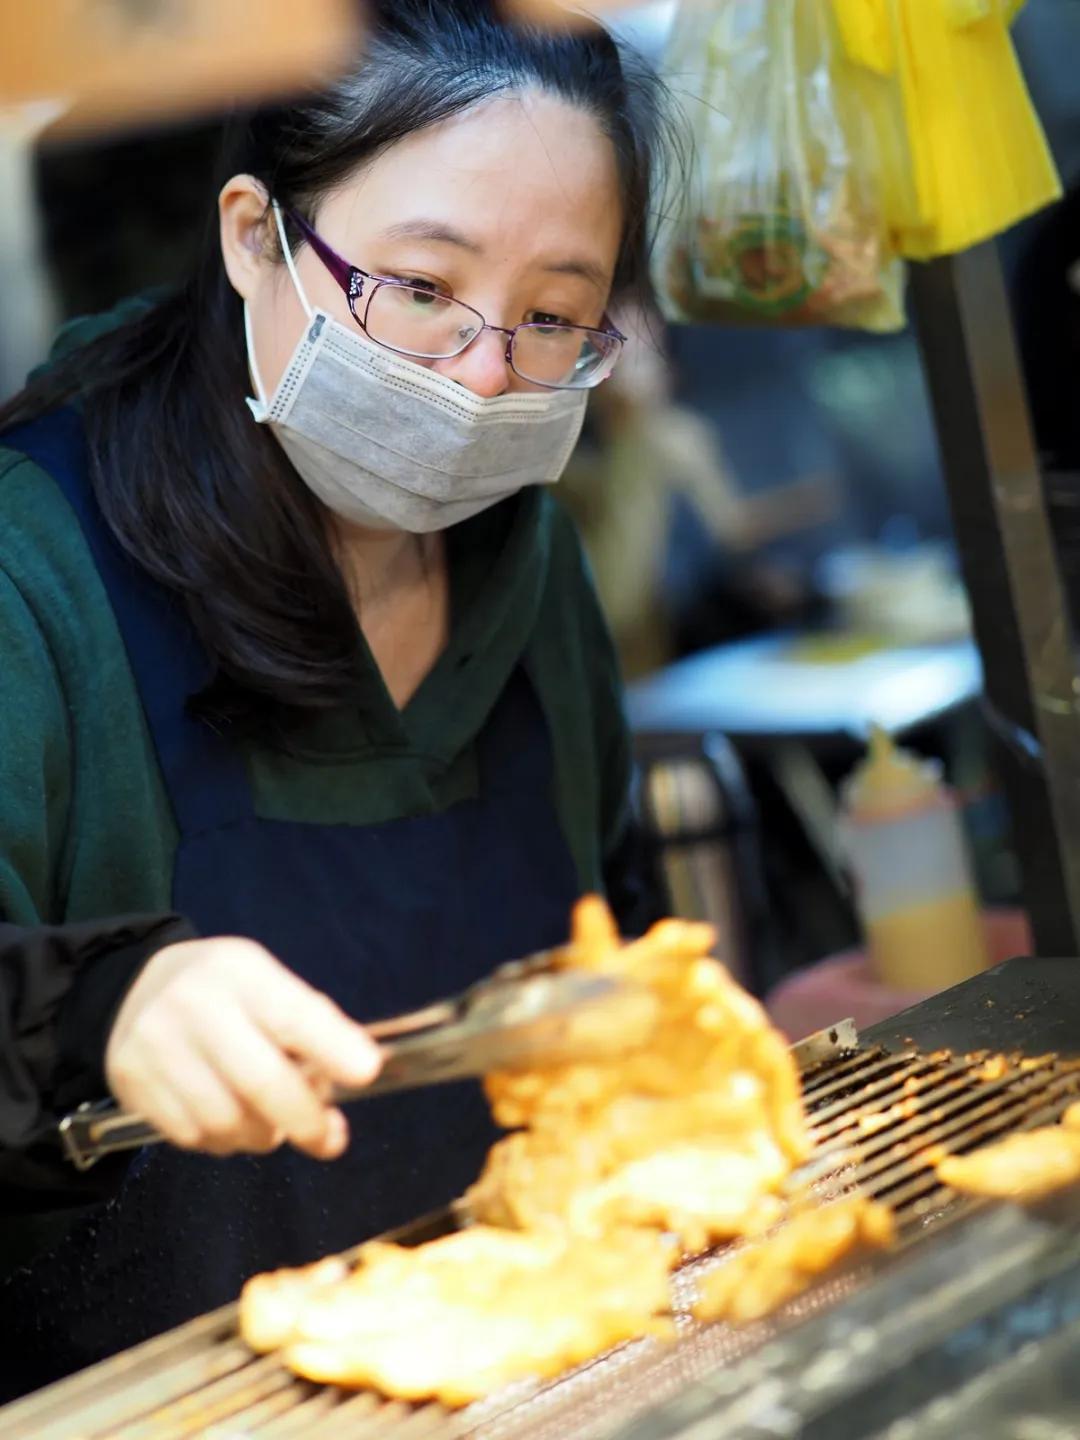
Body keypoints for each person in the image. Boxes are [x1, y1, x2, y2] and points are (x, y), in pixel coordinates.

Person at [0, 0, 667, 1396]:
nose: (483, 376)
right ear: (255, 237)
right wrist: (98, 1004)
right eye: (422, 289)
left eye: (552, 318)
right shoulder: (34, 577)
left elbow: (623, 958)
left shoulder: (531, 570)